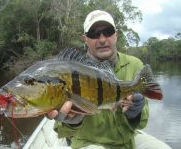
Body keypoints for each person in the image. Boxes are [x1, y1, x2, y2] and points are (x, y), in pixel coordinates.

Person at [47, 10, 171, 149]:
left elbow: (142, 123)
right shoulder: (68, 70)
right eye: (94, 34)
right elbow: (61, 130)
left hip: (128, 140)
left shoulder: (135, 64)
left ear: (116, 34)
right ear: (85, 39)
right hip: (88, 143)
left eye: (108, 31)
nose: (102, 39)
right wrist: (72, 121)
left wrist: (136, 112)